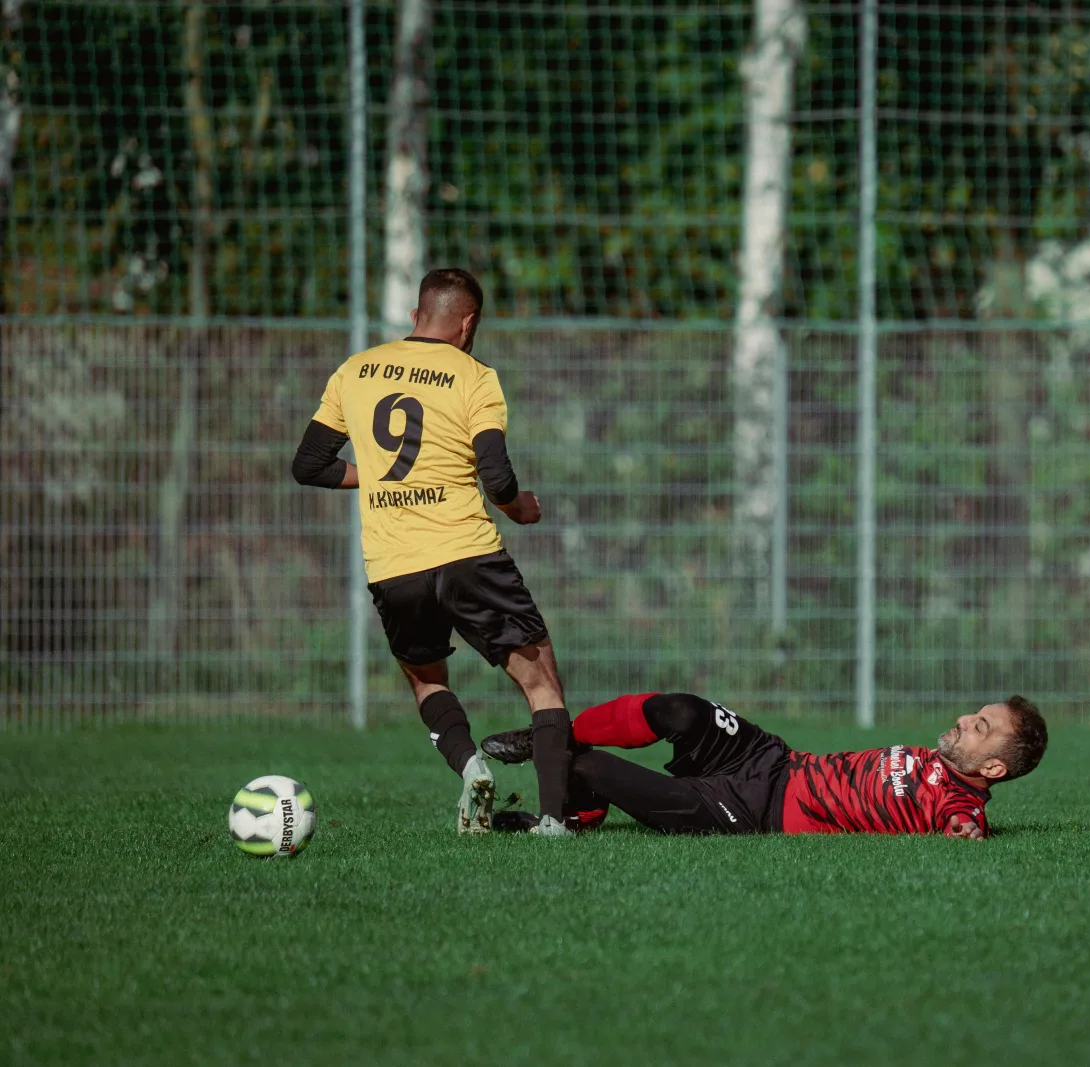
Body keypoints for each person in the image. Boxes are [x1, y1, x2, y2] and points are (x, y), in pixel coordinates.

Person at [290, 267, 573, 836]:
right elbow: (496, 475)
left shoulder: (356, 369)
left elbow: (309, 466)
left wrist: (376, 476)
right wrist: (519, 509)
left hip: (394, 567)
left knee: (427, 680)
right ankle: (554, 821)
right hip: (468, 553)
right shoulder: (474, 376)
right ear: (468, 324)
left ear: (417, 315)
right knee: (541, 684)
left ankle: (472, 770)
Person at [481, 692, 1048, 839]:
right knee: (681, 710)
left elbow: (962, 825)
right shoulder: (937, 761)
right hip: (768, 757)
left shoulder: (958, 800)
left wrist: (968, 829)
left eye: (981, 727)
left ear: (993, 770)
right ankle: (548, 733)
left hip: (750, 810)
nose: (965, 718)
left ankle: (574, 816)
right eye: (977, 712)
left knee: (591, 769)